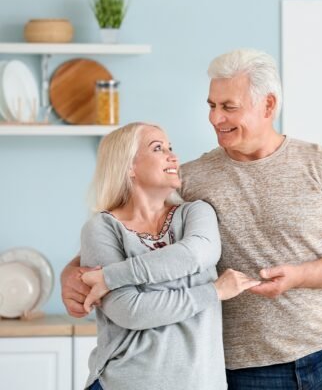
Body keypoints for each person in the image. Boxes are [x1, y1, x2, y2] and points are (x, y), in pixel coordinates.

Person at [62, 49, 322, 390]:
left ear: (268, 105)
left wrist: (300, 276)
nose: (215, 118)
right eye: (211, 105)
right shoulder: (190, 179)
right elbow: (132, 226)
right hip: (244, 366)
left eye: (229, 107)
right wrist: (74, 272)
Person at [76, 122, 260, 390]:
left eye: (171, 148)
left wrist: (111, 276)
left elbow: (196, 255)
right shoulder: (102, 229)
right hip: (125, 382)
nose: (173, 156)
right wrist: (213, 292)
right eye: (158, 148)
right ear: (129, 166)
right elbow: (131, 312)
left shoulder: (195, 213)